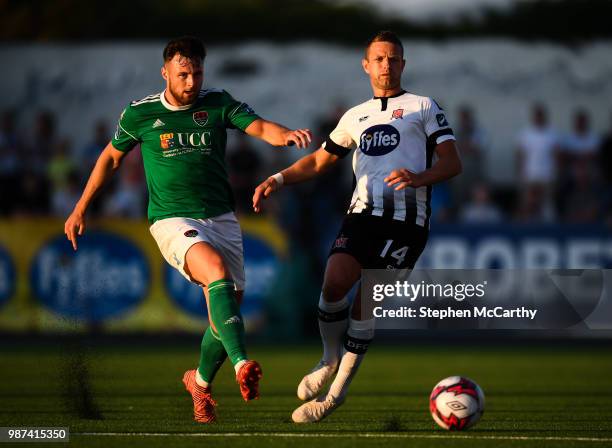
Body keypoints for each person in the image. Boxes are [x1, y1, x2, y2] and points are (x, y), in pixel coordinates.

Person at [64, 36, 312, 424]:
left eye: (197, 72)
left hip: (222, 217)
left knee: (226, 309)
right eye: (183, 74)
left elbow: (259, 126)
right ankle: (242, 364)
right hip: (172, 219)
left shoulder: (218, 102)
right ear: (165, 72)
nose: (191, 81)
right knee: (215, 272)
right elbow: (111, 158)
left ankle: (198, 382)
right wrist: (80, 208)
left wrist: (285, 135)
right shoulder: (140, 114)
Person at [253, 31, 461, 423]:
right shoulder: (355, 115)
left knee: (366, 302)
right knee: (333, 283)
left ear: (403, 64)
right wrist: (277, 180)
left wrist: (421, 177)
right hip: (362, 215)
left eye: (394, 58)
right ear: (366, 65)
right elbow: (318, 162)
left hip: (406, 224)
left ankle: (334, 397)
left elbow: (453, 163)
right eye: (379, 59)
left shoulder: (423, 107)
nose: (387, 65)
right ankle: (329, 359)